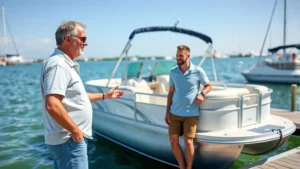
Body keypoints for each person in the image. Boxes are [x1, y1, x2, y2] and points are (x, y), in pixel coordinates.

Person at [40, 21, 124, 169]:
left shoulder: (64, 64)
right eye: (83, 39)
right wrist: (76, 131)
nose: (86, 43)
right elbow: (52, 104)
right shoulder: (59, 65)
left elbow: (76, 98)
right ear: (68, 39)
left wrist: (105, 96)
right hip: (69, 141)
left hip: (68, 140)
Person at [164, 45, 212, 169]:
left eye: (181, 55)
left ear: (188, 56)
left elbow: (208, 85)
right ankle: (182, 166)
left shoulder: (198, 71)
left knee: (188, 141)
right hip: (175, 113)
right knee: (173, 140)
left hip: (191, 114)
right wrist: (167, 112)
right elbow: (171, 92)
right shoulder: (173, 72)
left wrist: (202, 94)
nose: (178, 58)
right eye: (177, 55)